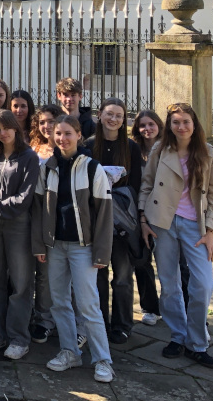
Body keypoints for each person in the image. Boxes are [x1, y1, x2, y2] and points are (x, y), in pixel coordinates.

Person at [140, 102, 213, 369]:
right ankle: (178, 337)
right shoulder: (160, 150)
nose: (181, 126)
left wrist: (211, 230)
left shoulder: (207, 153)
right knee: (169, 285)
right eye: (176, 122)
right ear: (170, 125)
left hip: (195, 227)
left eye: (186, 121)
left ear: (194, 124)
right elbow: (146, 185)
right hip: (163, 223)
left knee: (203, 285)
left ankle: (197, 343)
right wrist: (144, 220)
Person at [32, 115, 115, 383]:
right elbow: (39, 210)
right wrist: (39, 244)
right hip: (55, 246)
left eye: (68, 133)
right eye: (58, 134)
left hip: (84, 247)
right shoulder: (48, 168)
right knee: (59, 302)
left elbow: (104, 213)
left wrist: (102, 253)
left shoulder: (92, 168)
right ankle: (70, 351)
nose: (62, 138)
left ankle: (103, 360)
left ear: (79, 135)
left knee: (88, 304)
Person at [0, 108, 39, 360]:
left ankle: (18, 338)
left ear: (16, 127)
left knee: (21, 283)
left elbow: (25, 198)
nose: (3, 133)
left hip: (18, 225)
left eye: (7, 128)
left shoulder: (29, 157)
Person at [87, 97, 142, 344]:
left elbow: (137, 185)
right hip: (95, 219)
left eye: (119, 116)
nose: (113, 119)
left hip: (121, 221)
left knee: (121, 276)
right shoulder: (89, 145)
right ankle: (99, 321)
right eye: (109, 114)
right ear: (100, 115)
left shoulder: (131, 148)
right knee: (97, 275)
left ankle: (122, 324)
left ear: (124, 120)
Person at [27, 102, 63, 344]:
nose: (47, 126)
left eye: (51, 121)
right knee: (35, 272)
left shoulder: (66, 147)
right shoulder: (32, 149)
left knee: (54, 273)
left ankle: (53, 319)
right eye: (42, 122)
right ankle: (39, 316)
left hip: (57, 217)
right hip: (31, 215)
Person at [131, 109, 164, 326]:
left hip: (163, 213)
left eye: (151, 124)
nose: (147, 129)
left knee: (172, 264)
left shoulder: (167, 150)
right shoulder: (133, 150)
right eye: (142, 125)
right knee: (142, 261)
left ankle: (177, 306)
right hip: (139, 212)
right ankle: (150, 307)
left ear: (159, 126)